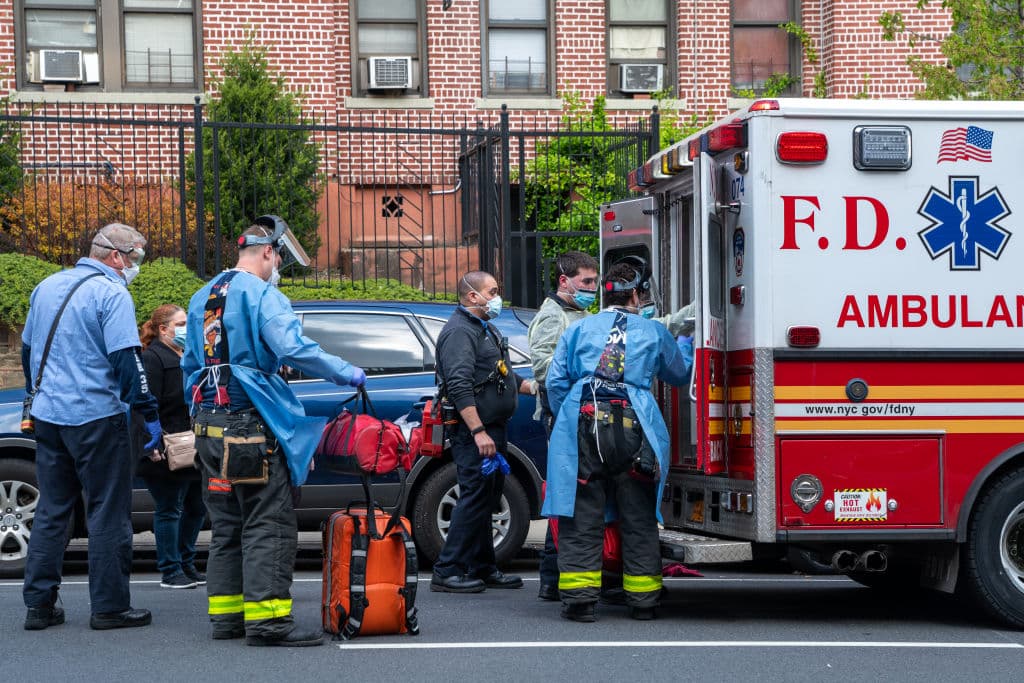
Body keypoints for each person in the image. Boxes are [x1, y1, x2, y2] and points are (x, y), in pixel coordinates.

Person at [181, 216, 365, 647]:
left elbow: (190, 367)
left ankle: (227, 618)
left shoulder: (201, 296)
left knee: (227, 524)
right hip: (249, 431)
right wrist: (348, 372)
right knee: (268, 523)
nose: (278, 265)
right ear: (268, 252)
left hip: (209, 429)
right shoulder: (263, 295)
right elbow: (293, 349)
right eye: (278, 257)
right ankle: (269, 622)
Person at [527, 251, 694, 601]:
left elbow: (556, 380)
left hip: (584, 426)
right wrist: (683, 343)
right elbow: (678, 374)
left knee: (582, 515)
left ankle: (579, 602)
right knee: (637, 515)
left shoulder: (578, 328)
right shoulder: (651, 330)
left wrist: (570, 416)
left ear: (604, 293)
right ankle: (643, 601)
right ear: (635, 296)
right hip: (636, 430)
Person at [21, 222, 161, 631]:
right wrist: (148, 414)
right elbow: (127, 362)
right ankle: (110, 607)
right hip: (97, 416)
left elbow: (29, 347)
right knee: (107, 511)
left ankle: (39, 605)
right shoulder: (111, 292)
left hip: (49, 415)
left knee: (52, 509)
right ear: (116, 256)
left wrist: (40, 393)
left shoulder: (47, 285)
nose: (136, 265)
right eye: (136, 257)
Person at [430, 270, 533, 593]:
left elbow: (495, 372)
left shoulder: (483, 328)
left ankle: (483, 566)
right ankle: (447, 571)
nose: (497, 297)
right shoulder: (460, 332)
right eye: (492, 291)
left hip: (493, 428)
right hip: (475, 431)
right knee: (474, 495)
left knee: (488, 495)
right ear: (472, 296)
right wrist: (477, 431)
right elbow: (459, 385)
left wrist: (527, 386)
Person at [134, 304, 207, 590]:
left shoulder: (188, 355)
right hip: (164, 446)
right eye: (180, 323)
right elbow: (145, 402)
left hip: (190, 442)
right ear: (163, 329)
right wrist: (149, 443)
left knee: (197, 507)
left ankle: (186, 563)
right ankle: (170, 568)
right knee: (169, 507)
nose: (186, 328)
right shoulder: (153, 358)